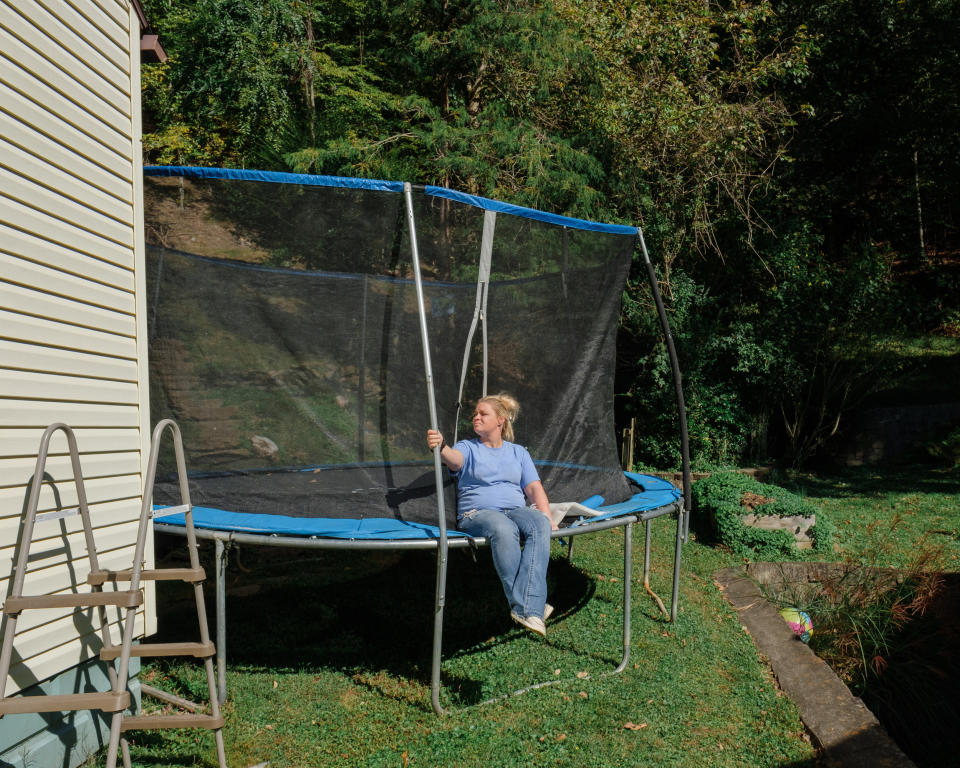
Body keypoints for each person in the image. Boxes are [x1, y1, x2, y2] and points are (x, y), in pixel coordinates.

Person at [426, 393, 558, 637]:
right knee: (502, 528)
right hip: (478, 514)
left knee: (540, 523)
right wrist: (442, 445)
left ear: (501, 420)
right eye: (475, 414)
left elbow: (533, 488)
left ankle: (528, 606)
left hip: (515, 510)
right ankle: (530, 605)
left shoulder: (518, 452)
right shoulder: (468, 447)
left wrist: (548, 515)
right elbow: (454, 461)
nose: (476, 417)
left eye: (483, 414)